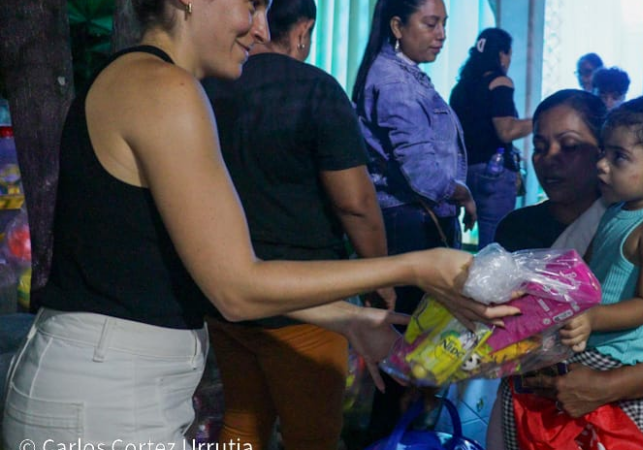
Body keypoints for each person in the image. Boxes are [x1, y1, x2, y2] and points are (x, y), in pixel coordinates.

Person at [1, 0, 518, 448]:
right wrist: (415, 265)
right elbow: (235, 288)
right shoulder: (162, 88)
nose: (262, 29)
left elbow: (200, 269)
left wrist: (346, 318)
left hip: (107, 384)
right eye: (250, 5)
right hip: (104, 395)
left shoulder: (148, 81)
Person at [201, 0, 395, 448]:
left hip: (229, 296)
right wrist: (381, 276)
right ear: (303, 29)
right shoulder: (316, 90)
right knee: (313, 437)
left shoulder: (209, 88)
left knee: (242, 424)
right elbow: (356, 204)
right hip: (307, 299)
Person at [484, 90, 643, 450]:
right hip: (535, 409)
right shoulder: (518, 228)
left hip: (616, 392)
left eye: (570, 146)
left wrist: (604, 386)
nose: (550, 159)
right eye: (540, 146)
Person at [351, 0, 479, 441]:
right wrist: (461, 192)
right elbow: (422, 173)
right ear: (397, 26)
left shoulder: (402, 74)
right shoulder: (392, 80)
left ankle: (397, 433)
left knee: (414, 349)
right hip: (409, 229)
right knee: (407, 351)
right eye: (430, 23)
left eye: (444, 23)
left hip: (416, 224)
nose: (441, 34)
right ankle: (389, 437)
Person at [450, 28, 532, 250]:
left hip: (464, 173)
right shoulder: (500, 82)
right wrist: (538, 121)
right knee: (494, 245)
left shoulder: (461, 87)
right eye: (508, 54)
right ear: (501, 54)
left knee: (459, 240)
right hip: (493, 174)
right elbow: (505, 130)